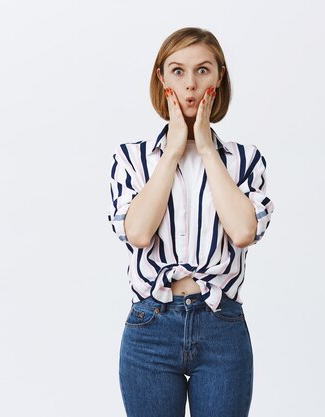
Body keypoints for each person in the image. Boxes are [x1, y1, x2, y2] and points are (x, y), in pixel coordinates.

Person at [106, 27, 275, 417]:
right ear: (161, 79)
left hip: (222, 327)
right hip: (151, 326)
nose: (191, 85)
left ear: (219, 78)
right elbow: (139, 232)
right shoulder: (132, 159)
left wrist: (206, 147)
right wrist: (171, 152)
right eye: (178, 71)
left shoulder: (244, 160)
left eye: (203, 71)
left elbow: (243, 231)